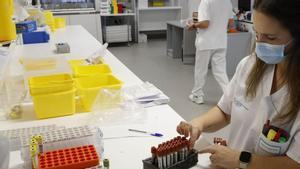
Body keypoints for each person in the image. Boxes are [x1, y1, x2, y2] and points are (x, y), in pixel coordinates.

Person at [177, 0, 300, 168]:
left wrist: (241, 160)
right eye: (256, 34)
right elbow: (225, 112)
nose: (260, 44)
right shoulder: (249, 66)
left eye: (270, 37)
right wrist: (199, 124)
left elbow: (295, 163)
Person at [187, 0, 232, 104]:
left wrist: (193, 25)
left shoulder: (206, 2)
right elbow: (230, 23)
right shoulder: (227, 2)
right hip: (221, 42)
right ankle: (230, 97)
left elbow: (205, 23)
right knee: (220, 71)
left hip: (206, 43)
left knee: (200, 70)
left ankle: (197, 95)